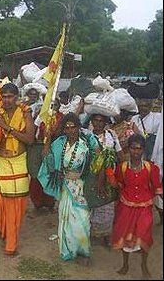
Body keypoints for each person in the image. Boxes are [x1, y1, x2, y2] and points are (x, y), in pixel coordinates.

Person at [37, 113, 100, 265]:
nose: (70, 130)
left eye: (73, 127)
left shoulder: (88, 141)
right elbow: (49, 159)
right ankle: (68, 251)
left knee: (82, 220)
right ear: (64, 129)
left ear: (78, 127)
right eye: (67, 128)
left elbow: (98, 159)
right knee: (65, 219)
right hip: (65, 186)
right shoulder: (59, 142)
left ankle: (83, 252)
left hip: (81, 186)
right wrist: (46, 144)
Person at [0, 83, 35, 256]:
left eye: (10, 96)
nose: (7, 100)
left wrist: (7, 127)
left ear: (16, 97)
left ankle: (11, 244)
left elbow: (29, 139)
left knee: (15, 205)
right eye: (4, 96)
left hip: (18, 161)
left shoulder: (25, 113)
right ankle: (3, 230)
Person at [111, 134, 162, 279]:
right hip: (126, 208)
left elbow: (158, 188)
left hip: (145, 208)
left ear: (143, 150)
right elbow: (119, 185)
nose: (136, 152)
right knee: (125, 237)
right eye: (133, 148)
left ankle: (144, 265)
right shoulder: (122, 168)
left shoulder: (151, 168)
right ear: (128, 149)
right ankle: (125, 264)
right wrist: (111, 179)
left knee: (144, 235)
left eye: (139, 149)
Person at [87, 113, 124, 248]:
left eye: (101, 121)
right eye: (95, 120)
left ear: (105, 123)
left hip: (110, 176)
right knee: (91, 204)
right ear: (91, 121)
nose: (97, 123)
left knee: (107, 205)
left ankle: (106, 235)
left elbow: (119, 154)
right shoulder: (86, 136)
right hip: (90, 176)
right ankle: (92, 234)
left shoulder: (111, 135)